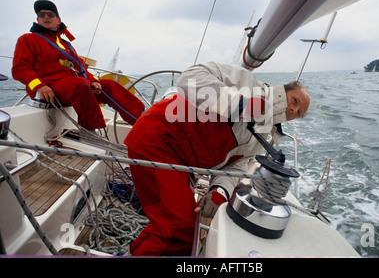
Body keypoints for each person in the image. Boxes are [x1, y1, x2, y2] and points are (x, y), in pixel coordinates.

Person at [124, 62, 311, 256]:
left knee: (175, 224)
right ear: (282, 91)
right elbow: (190, 78)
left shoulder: (262, 137)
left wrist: (219, 191)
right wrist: (242, 104)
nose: (293, 110)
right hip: (158, 140)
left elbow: (237, 163)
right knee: (179, 230)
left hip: (180, 162)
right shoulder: (247, 83)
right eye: (294, 101)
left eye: (299, 113)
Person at [12, 0, 144, 130]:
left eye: (50, 14)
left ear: (58, 20)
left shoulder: (66, 45)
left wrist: (93, 80)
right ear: (38, 19)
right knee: (80, 84)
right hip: (50, 88)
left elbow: (80, 68)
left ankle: (142, 119)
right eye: (42, 15)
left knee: (109, 85)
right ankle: (90, 130)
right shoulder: (27, 39)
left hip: (74, 87)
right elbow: (20, 68)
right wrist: (40, 86)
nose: (46, 17)